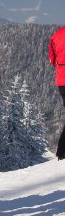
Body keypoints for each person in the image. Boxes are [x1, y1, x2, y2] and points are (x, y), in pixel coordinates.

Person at [50, 26, 65, 160]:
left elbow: (53, 60)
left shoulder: (56, 35)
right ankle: (62, 152)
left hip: (62, 81)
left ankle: (62, 151)